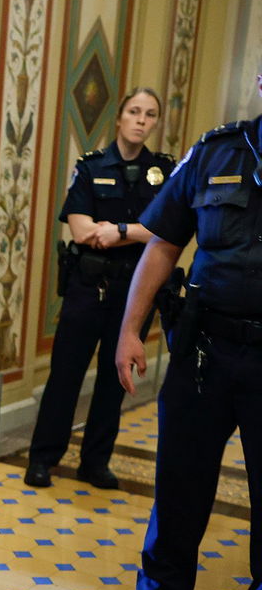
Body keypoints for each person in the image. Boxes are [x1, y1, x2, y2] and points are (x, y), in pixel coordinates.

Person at [113, 83, 262, 590]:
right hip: (205, 349)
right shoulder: (217, 153)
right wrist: (131, 330)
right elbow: (162, 247)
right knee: (180, 479)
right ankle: (162, 589)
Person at [25, 88, 174, 490]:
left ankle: (95, 462)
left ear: (155, 122)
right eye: (134, 111)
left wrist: (118, 230)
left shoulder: (163, 171)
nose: (142, 120)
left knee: (116, 378)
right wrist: (137, 233)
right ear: (120, 118)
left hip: (134, 290)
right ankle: (43, 458)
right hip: (87, 286)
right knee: (65, 376)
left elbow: (165, 231)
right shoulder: (91, 167)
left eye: (150, 114)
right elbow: (80, 229)